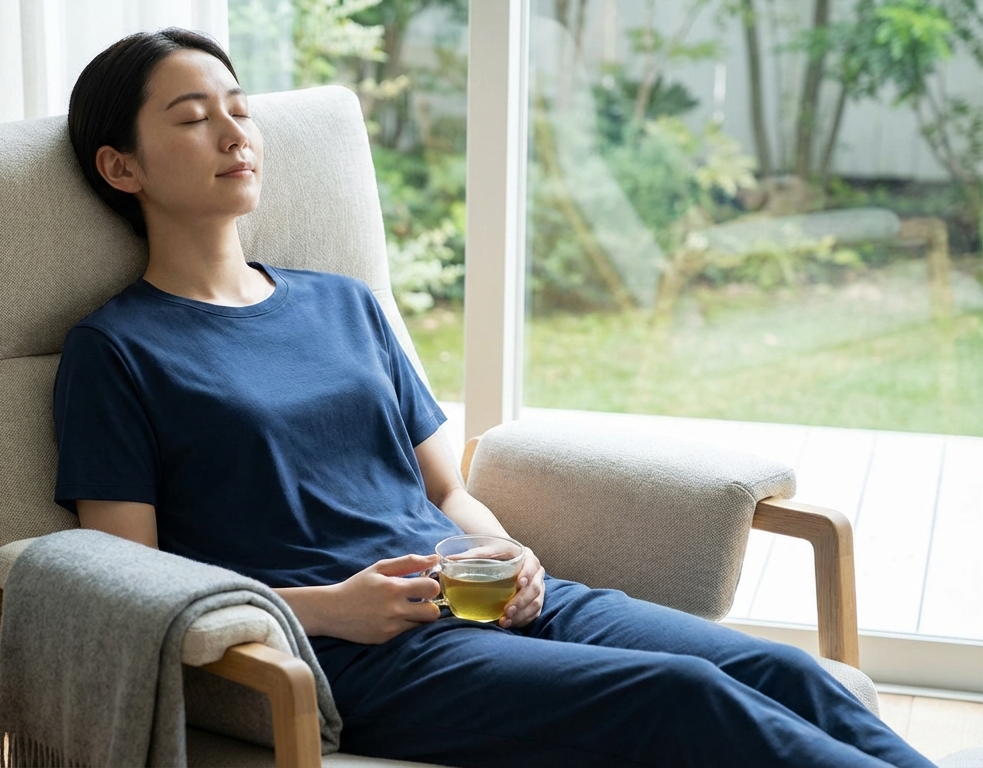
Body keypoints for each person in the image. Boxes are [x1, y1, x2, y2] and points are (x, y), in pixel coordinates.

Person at [52, 27, 933, 768]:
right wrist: (325, 609)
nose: (235, 134)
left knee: (791, 674)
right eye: (194, 118)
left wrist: (512, 558)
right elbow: (138, 583)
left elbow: (446, 490)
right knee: (684, 696)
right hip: (360, 653)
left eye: (238, 109)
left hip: (489, 598)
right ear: (121, 167)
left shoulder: (342, 303)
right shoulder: (117, 350)